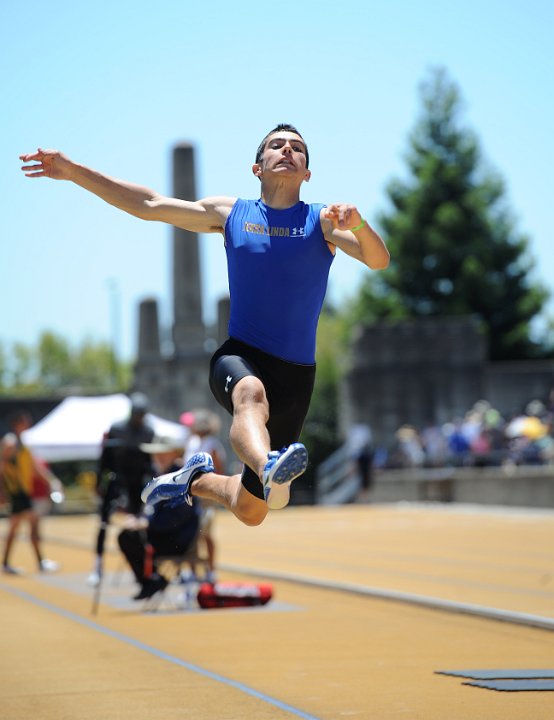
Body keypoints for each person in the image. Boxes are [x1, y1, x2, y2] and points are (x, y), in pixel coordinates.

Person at [20, 124, 390, 527]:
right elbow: (149, 204)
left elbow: (378, 260)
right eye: (276, 145)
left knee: (252, 510)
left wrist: (356, 224)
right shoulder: (231, 214)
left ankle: (194, 479)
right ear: (257, 167)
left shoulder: (322, 223)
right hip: (241, 356)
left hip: (296, 376)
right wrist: (74, 171)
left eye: (298, 148)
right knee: (250, 394)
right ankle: (268, 467)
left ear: (307, 173)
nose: (287, 150)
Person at [117, 435, 201, 600]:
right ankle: (152, 580)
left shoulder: (180, 477)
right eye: (155, 454)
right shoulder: (162, 475)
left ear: (174, 454)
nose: (158, 457)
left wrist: (146, 523)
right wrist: (139, 520)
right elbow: (152, 509)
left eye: (164, 453)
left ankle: (152, 581)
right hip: (165, 534)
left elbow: (176, 518)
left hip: (177, 539)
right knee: (127, 535)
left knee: (128, 538)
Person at [88, 392, 155, 586]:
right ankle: (97, 566)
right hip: (116, 480)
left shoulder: (148, 432)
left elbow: (148, 461)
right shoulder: (117, 429)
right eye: (137, 414)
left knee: (140, 524)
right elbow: (105, 458)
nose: (139, 418)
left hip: (136, 483)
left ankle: (141, 568)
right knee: (103, 523)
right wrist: (99, 482)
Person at [0, 411, 61, 574]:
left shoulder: (23, 444)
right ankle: (39, 562)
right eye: (24, 421)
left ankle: (7, 563)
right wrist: (2, 492)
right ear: (17, 423)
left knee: (17, 527)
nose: (28, 422)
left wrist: (52, 482)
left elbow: (35, 468)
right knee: (30, 525)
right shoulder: (10, 443)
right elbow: (2, 467)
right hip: (17, 492)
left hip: (24, 492)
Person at [182, 409, 227, 583]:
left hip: (206, 496)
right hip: (192, 493)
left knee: (205, 533)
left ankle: (210, 569)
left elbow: (218, 470)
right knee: (192, 534)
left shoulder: (211, 444)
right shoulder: (193, 442)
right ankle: (193, 570)